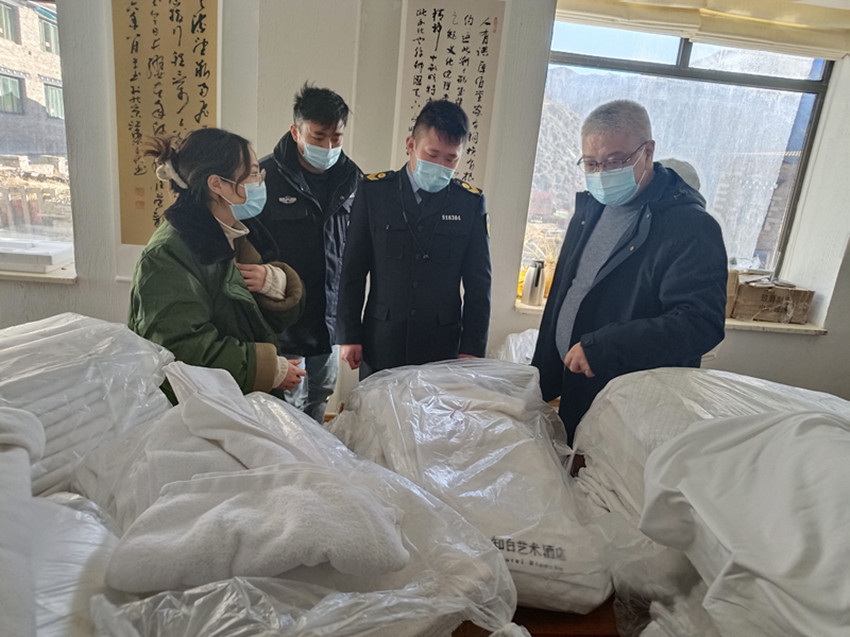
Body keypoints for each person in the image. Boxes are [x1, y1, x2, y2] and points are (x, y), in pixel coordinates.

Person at [532, 100, 727, 443]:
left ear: (647, 152)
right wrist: (542, 375)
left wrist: (605, 347)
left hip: (634, 408)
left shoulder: (690, 227)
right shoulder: (590, 209)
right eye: (591, 163)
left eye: (615, 161)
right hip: (575, 385)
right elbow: (569, 289)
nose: (602, 174)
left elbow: (700, 323)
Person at [128, 127, 306, 402]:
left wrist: (276, 282)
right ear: (218, 184)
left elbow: (252, 318)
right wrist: (269, 369)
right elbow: (180, 348)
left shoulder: (239, 232)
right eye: (253, 174)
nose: (260, 182)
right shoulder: (167, 256)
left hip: (233, 399)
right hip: (200, 407)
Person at [336, 99, 491, 378]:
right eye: (432, 154)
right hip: (381, 340)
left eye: (451, 159)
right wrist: (349, 334)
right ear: (411, 144)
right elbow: (352, 269)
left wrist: (472, 347)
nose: (441, 165)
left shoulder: (468, 203)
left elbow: (479, 283)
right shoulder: (374, 193)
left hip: (441, 346)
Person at [243, 83, 361, 423]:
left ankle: (316, 449)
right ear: (296, 132)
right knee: (286, 403)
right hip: (283, 319)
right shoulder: (265, 178)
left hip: (328, 319)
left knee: (321, 392)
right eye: (318, 136)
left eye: (336, 138)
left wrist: (349, 325)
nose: (328, 147)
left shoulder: (353, 180)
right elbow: (246, 245)